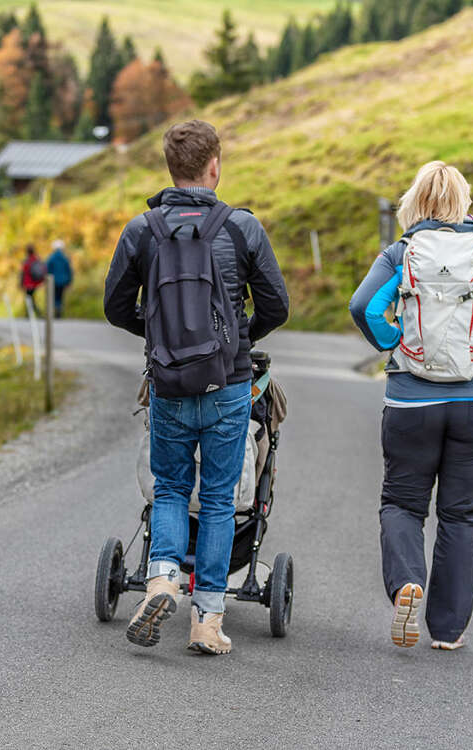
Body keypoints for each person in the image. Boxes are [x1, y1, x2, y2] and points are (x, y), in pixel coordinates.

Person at [104, 120, 289, 655]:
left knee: (169, 487)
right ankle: (207, 620)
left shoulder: (143, 229)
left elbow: (116, 307)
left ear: (170, 168)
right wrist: (232, 337)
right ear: (215, 166)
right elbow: (276, 305)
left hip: (167, 382)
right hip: (227, 384)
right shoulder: (242, 228)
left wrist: (159, 334)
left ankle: (161, 579)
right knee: (216, 501)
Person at [349, 161, 473, 651]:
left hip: (412, 399)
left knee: (402, 503)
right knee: (461, 515)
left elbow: (364, 307)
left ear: (415, 203)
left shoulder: (400, 254)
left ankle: (408, 584)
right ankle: (449, 630)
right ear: (464, 203)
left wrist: (394, 342)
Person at [46, 239, 73, 318]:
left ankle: (55, 310)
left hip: (53, 281)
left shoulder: (51, 258)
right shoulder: (65, 258)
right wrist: (69, 281)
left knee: (54, 297)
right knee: (60, 296)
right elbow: (69, 270)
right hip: (63, 281)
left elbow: (47, 269)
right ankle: (58, 310)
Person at [20, 244, 44, 316]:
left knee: (29, 299)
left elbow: (23, 273)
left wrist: (21, 283)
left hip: (28, 283)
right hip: (35, 282)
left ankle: (34, 313)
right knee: (31, 298)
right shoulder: (37, 259)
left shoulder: (26, 261)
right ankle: (31, 313)